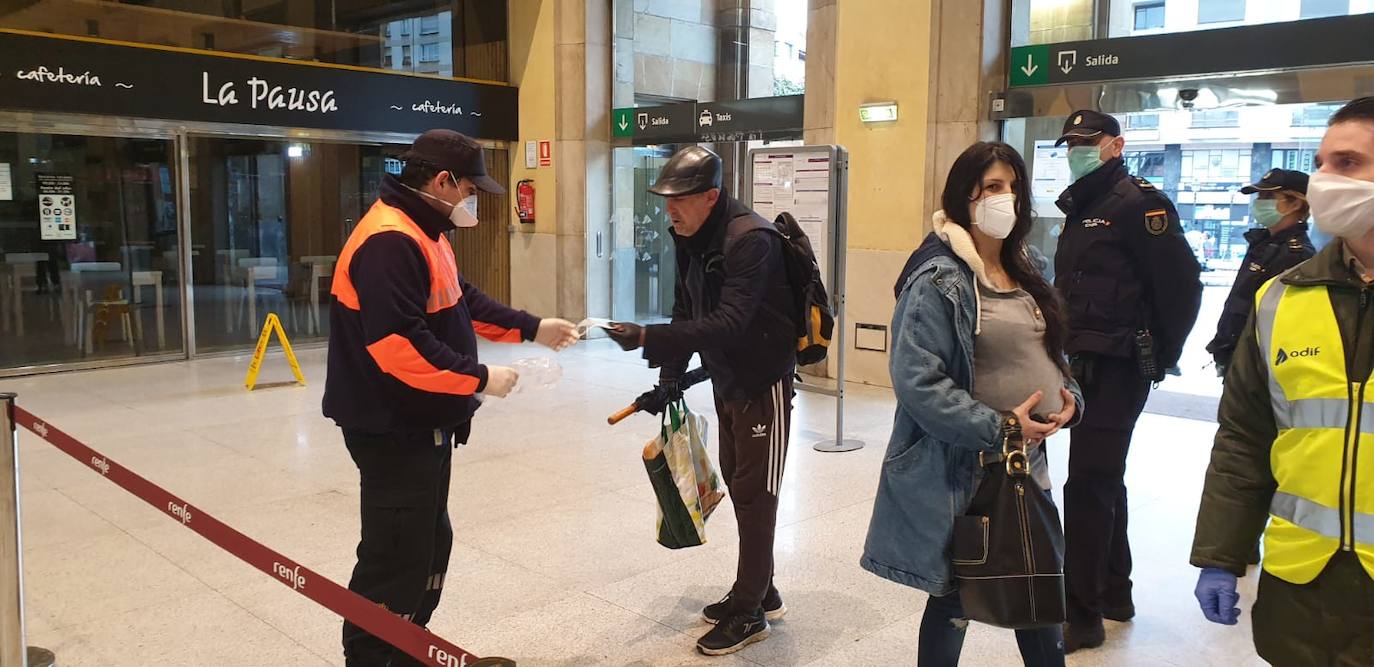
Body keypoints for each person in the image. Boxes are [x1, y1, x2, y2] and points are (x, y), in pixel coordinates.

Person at [322, 128, 579, 666]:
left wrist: (533, 327)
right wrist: (481, 378)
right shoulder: (391, 240)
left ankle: (408, 651)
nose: (470, 200)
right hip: (393, 427)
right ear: (441, 180)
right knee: (393, 558)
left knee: (428, 546)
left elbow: (462, 303)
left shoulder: (426, 231)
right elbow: (398, 347)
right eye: (467, 188)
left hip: (423, 423)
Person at [861, 141, 1082, 666]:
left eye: (1013, 187)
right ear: (966, 196)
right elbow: (917, 382)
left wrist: (1072, 395)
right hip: (967, 473)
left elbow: (1051, 351)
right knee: (955, 598)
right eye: (992, 187)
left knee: (1038, 590)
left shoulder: (1028, 266)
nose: (1006, 198)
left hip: (1028, 469)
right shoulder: (939, 278)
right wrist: (1002, 427)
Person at [1191, 96, 1374, 665]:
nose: (1323, 180)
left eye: (1347, 163)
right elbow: (1244, 436)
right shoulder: (1283, 298)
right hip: (1301, 587)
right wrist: (1222, 553)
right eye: (1321, 163)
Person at [604, 145, 796, 656]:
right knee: (739, 484)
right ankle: (762, 587)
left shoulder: (750, 239)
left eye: (680, 199)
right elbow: (686, 310)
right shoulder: (691, 235)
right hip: (729, 380)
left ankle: (751, 610)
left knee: (758, 493)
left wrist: (646, 337)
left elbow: (731, 322)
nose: (670, 209)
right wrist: (668, 382)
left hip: (764, 384)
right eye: (665, 199)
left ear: (711, 196)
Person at [1052, 109, 1203, 652]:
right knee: (1102, 478)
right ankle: (1116, 592)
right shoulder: (1083, 204)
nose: (1076, 149)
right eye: (1070, 142)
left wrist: (1157, 355)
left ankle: (1082, 615)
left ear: (1116, 145)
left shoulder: (1141, 204)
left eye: (1086, 141)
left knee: (1088, 483)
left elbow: (1183, 288)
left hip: (1118, 366)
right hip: (1083, 362)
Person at [1205, 169, 1315, 378]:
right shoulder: (1264, 244)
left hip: (1259, 367)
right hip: (1239, 359)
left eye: (1268, 197)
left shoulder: (1296, 255)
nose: (1259, 203)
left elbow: (1285, 325)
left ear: (1295, 203)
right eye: (1259, 196)